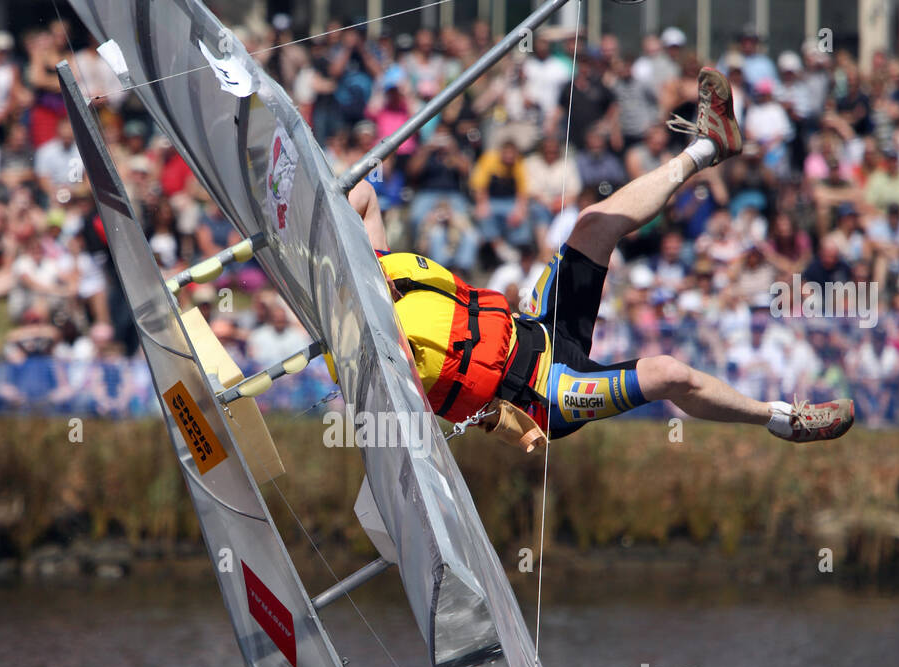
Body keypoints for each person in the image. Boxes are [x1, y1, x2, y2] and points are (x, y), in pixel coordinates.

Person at [348, 67, 854, 446]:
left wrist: (319, 233)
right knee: (666, 374)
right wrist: (508, 430)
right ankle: (783, 419)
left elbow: (362, 198)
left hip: (538, 326)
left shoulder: (379, 270)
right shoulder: (376, 349)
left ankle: (708, 148)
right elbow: (440, 408)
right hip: (550, 393)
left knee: (591, 223)